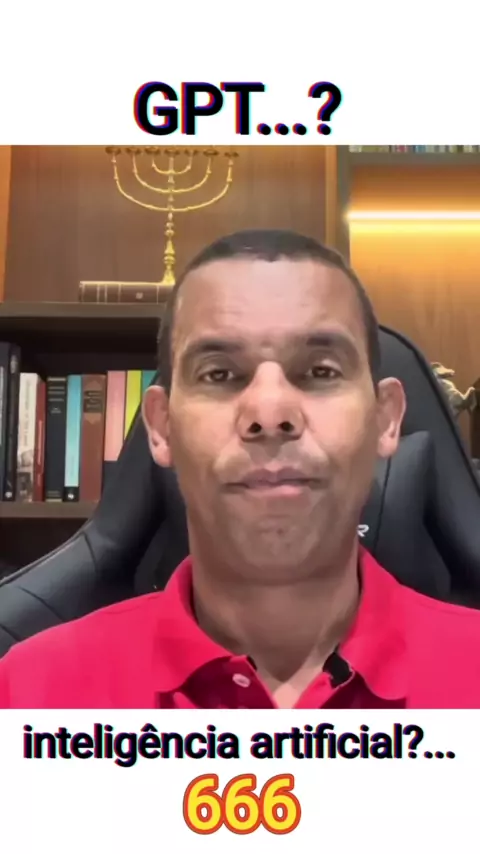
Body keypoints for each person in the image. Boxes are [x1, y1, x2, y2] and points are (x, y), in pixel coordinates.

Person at [2, 228, 480, 709]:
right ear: (162, 428)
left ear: (385, 418)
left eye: (320, 371)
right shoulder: (31, 694)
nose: (269, 413)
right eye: (220, 374)